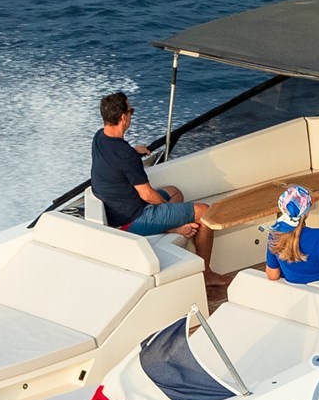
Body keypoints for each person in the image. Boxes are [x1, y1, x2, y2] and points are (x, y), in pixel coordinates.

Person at [90, 92, 225, 284]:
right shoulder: (126, 156)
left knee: (174, 192)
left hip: (117, 211)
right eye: (131, 111)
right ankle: (206, 274)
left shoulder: (100, 138)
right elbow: (147, 194)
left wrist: (133, 150)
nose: (131, 114)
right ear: (123, 118)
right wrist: (165, 209)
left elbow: (116, 157)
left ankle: (171, 227)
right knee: (205, 213)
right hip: (132, 220)